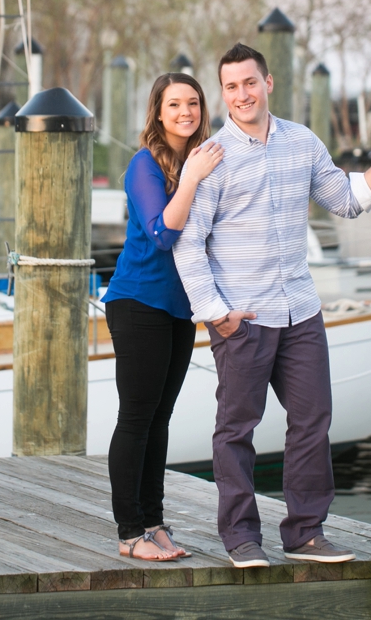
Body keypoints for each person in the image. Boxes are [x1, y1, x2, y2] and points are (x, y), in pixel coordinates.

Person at [173, 43, 371, 568]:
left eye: (249, 83)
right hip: (242, 317)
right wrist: (216, 313)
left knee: (312, 421)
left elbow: (347, 201)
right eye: (230, 87)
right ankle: (240, 538)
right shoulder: (211, 156)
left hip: (300, 311)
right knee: (237, 429)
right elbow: (190, 245)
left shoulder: (302, 143)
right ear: (223, 92)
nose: (241, 95)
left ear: (268, 82)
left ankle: (305, 533)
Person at [102, 72, 224, 561]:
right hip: (139, 303)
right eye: (174, 104)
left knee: (161, 418)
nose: (185, 112)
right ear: (157, 111)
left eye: (192, 103)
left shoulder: (205, 158)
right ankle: (130, 532)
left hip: (180, 306)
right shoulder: (144, 165)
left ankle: (153, 522)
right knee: (136, 418)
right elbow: (161, 234)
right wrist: (192, 178)